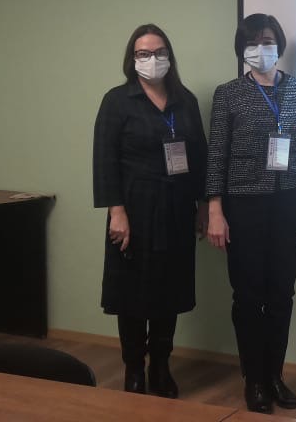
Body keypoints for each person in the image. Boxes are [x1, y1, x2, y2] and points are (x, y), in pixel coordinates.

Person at [205, 13, 296, 414]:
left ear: (280, 45)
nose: (261, 49)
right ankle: (253, 379)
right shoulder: (228, 94)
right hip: (243, 206)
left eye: (268, 41)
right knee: (247, 296)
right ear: (242, 50)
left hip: (289, 204)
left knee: (281, 295)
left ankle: (275, 375)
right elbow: (217, 155)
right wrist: (215, 210)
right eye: (253, 42)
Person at [92, 24, 208, 398]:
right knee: (132, 295)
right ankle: (134, 369)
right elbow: (104, 160)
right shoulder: (117, 101)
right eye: (143, 53)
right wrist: (116, 212)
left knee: (167, 293)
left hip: (176, 209)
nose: (152, 59)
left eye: (159, 52)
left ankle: (160, 366)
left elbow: (199, 157)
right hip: (134, 209)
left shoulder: (185, 101)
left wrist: (203, 206)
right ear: (132, 59)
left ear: (169, 56)